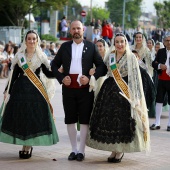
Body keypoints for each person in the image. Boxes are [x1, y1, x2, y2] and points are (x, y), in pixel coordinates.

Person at [86, 33, 150, 163]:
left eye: (122, 42)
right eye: (117, 42)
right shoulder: (110, 56)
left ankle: (120, 150)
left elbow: (136, 78)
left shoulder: (131, 57)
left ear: (126, 43)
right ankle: (113, 149)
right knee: (109, 120)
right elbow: (104, 70)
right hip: (109, 90)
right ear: (114, 43)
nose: (119, 44)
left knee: (122, 121)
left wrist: (136, 96)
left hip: (124, 93)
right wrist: (94, 73)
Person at [51, 20, 107, 162]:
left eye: (79, 28)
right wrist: (62, 78)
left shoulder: (91, 47)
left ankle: (81, 151)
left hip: (85, 89)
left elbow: (102, 67)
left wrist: (90, 77)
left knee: (84, 120)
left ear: (83, 31)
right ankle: (73, 149)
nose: (76, 31)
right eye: (74, 29)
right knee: (70, 119)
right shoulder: (64, 47)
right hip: (68, 89)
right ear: (70, 31)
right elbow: (54, 64)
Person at [0, 30, 59, 159]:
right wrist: (7, 91)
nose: (32, 41)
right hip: (20, 92)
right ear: (25, 41)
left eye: (34, 39)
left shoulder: (41, 56)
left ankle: (28, 145)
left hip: (36, 93)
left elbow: (48, 74)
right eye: (29, 39)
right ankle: (24, 145)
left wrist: (59, 72)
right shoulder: (19, 56)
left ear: (37, 41)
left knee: (33, 118)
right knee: (22, 118)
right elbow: (13, 76)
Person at [150, 33, 170, 131]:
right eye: (167, 40)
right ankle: (157, 122)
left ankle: (169, 124)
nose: (169, 42)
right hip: (161, 79)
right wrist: (159, 66)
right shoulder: (161, 51)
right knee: (159, 100)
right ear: (164, 42)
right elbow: (154, 63)